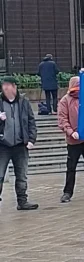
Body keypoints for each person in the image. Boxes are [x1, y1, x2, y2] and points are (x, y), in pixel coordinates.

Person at [0, 76, 39, 210]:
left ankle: (22, 201)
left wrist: (31, 139)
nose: (5, 88)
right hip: (3, 146)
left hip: (21, 145)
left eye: (8, 85)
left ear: (14, 87)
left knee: (21, 175)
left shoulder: (24, 102)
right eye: (4, 86)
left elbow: (31, 122)